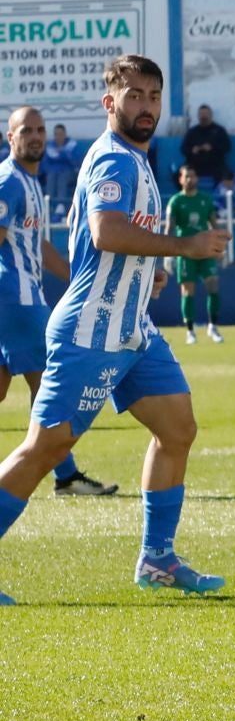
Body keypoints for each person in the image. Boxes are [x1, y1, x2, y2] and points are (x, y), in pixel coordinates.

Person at [0, 57, 229, 605]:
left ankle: (158, 559)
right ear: (110, 103)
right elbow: (105, 232)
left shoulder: (138, 159)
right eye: (134, 96)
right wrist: (181, 247)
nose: (145, 106)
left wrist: (149, 272)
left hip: (133, 330)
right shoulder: (113, 160)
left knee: (177, 429)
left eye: (153, 96)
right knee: (46, 446)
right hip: (90, 329)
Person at [0, 107, 118, 501]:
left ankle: (63, 475)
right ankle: (65, 476)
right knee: (51, 384)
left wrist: (77, 276)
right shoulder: (9, 183)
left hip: (21, 299)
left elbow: (37, 245)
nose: (35, 136)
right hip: (16, 300)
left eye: (40, 130)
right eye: (26, 130)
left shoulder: (30, 182)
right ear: (10, 136)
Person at [166, 167, 225, 345]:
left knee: (213, 284)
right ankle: (190, 331)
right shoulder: (176, 201)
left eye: (192, 175)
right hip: (185, 251)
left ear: (197, 177)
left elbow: (214, 225)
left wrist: (220, 247)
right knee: (187, 290)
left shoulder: (205, 200)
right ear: (180, 180)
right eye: (186, 176)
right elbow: (169, 227)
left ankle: (212, 326)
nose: (190, 179)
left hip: (206, 250)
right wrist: (168, 254)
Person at [182, 105, 232, 185]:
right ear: (198, 116)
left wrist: (212, 148)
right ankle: (187, 195)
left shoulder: (219, 131)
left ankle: (219, 196)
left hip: (215, 164)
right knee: (181, 174)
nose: (203, 116)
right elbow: (183, 149)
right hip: (195, 165)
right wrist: (192, 150)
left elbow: (227, 147)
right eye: (201, 114)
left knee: (227, 175)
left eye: (206, 114)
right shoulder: (192, 132)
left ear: (211, 115)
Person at [41, 123, 81, 219]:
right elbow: (44, 164)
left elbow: (77, 162)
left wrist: (64, 154)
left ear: (65, 134)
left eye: (61, 134)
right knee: (51, 176)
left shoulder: (72, 145)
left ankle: (61, 206)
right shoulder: (50, 147)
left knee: (62, 176)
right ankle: (49, 206)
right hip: (54, 174)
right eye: (56, 134)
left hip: (70, 174)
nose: (58, 136)